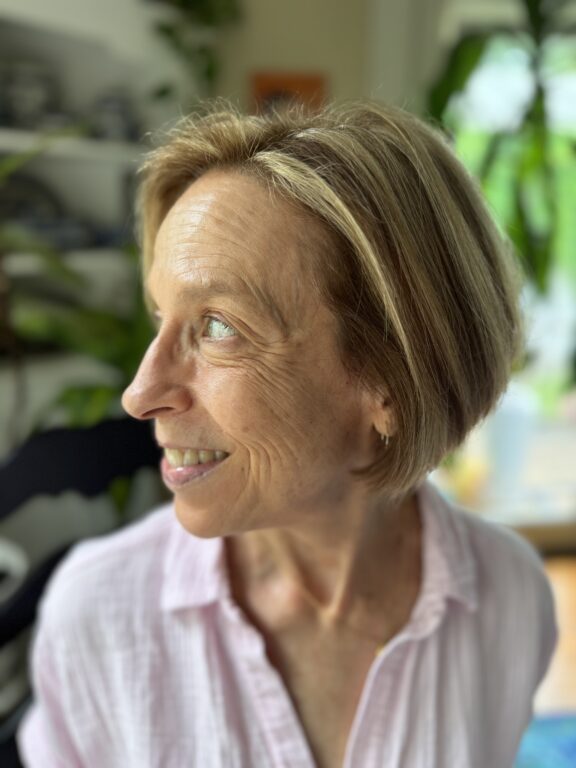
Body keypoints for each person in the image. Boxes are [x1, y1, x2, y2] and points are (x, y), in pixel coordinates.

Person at [17, 102, 557, 768]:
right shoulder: (100, 614)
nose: (140, 392)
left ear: (390, 381)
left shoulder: (509, 599)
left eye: (218, 327)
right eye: (162, 314)